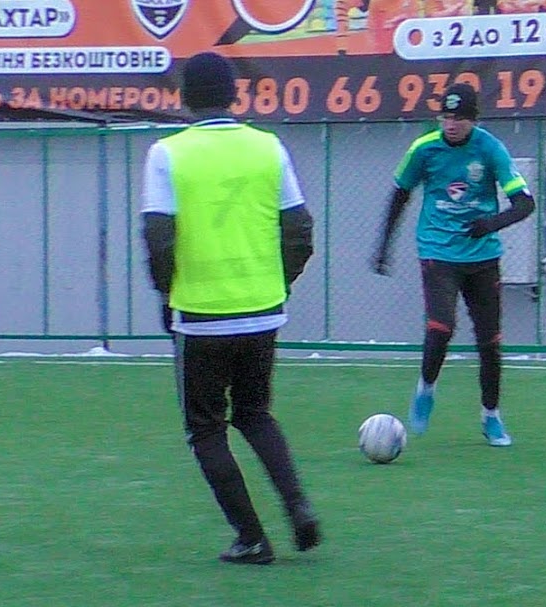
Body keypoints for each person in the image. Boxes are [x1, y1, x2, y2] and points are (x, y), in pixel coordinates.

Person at [141, 51, 320, 564]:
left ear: (183, 97)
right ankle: (298, 506)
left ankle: (252, 537)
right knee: (256, 413)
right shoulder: (269, 147)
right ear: (235, 94)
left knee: (205, 427)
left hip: (200, 312)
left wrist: (167, 295)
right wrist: (278, 285)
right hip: (262, 308)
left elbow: (158, 237)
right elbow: (300, 231)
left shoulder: (167, 153)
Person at [371, 83, 536, 447]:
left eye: (459, 118)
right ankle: (426, 389)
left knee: (489, 341)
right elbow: (399, 195)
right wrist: (384, 246)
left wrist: (489, 225)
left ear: (473, 120)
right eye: (446, 117)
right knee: (441, 327)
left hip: (482, 258)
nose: (451, 124)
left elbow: (525, 204)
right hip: (438, 252)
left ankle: (491, 416)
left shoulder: (490, 148)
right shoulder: (425, 148)